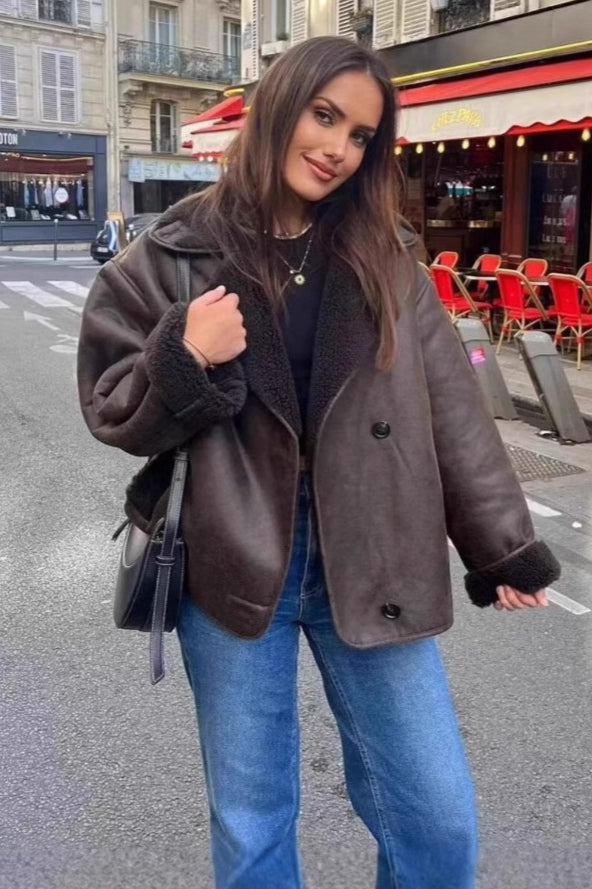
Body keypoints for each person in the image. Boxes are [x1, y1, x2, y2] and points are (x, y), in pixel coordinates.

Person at [77, 36, 560, 889]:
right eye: (325, 115)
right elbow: (112, 404)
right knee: (252, 822)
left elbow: (453, 410)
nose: (338, 147)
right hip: (231, 555)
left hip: (374, 551)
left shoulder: (383, 257)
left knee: (437, 815)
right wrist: (183, 352)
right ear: (278, 107)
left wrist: (503, 546)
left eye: (361, 134)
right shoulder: (171, 253)